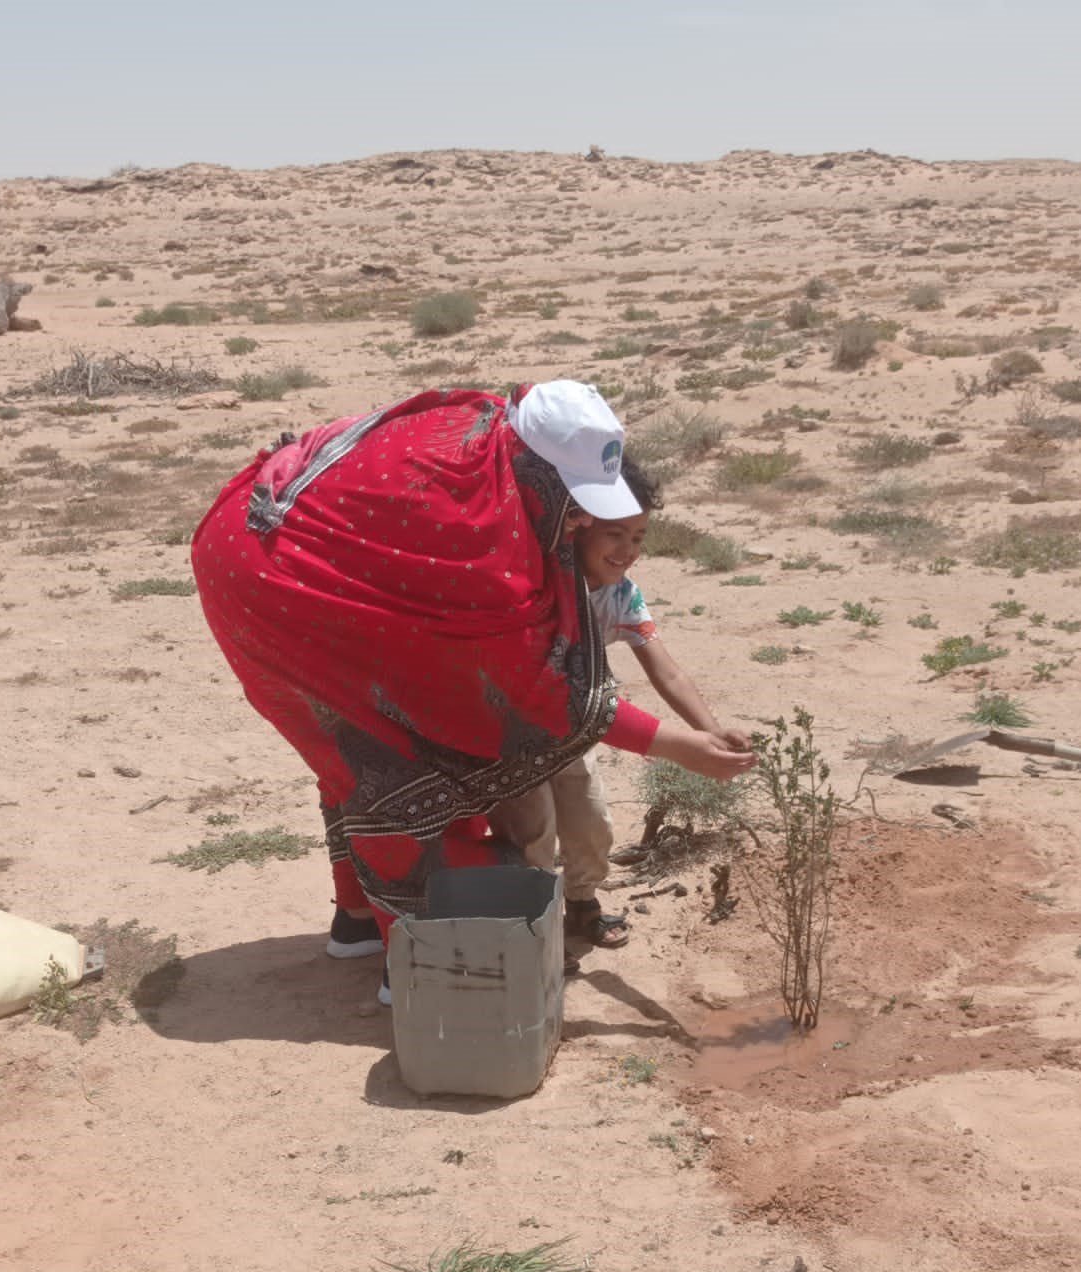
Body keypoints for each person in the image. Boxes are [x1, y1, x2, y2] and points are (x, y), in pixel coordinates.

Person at [190, 379, 754, 998]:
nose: (589, 519)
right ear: (539, 469)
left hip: (291, 548)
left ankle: (355, 921)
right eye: (579, 503)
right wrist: (680, 747)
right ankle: (410, 962)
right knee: (389, 758)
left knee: (372, 750)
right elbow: (541, 694)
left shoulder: (497, 437)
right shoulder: (488, 538)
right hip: (273, 580)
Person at [516, 455, 749, 954]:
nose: (627, 551)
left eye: (639, 538)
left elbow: (666, 670)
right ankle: (536, 941)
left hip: (574, 735)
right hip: (515, 742)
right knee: (532, 837)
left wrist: (710, 731)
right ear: (578, 528)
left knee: (592, 825)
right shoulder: (539, 587)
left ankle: (582, 904)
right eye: (614, 534)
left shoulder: (621, 595)